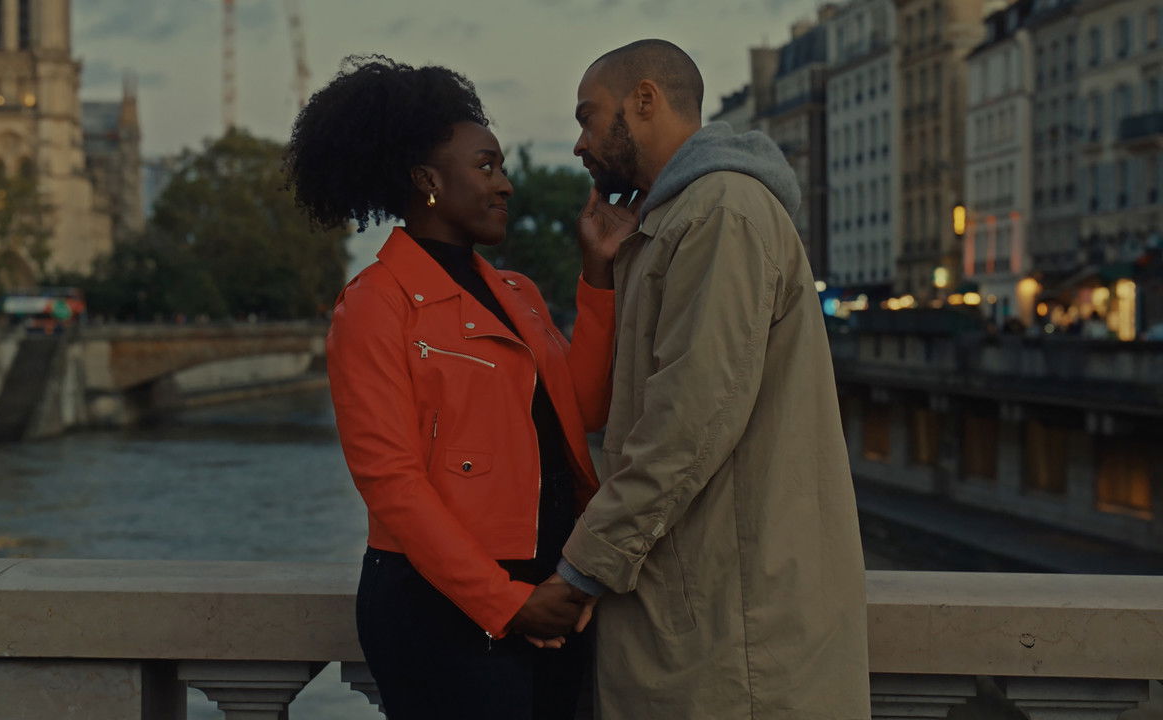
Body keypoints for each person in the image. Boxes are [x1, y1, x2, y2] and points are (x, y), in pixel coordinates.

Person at [284, 55, 633, 719]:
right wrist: (507, 602)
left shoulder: (518, 293)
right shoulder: (375, 304)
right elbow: (391, 481)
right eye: (486, 166)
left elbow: (584, 409)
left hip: (551, 593)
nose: (505, 184)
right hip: (439, 607)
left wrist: (598, 276)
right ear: (428, 181)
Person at [548, 39, 872, 718]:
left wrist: (583, 568)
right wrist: (605, 268)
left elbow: (688, 421)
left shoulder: (721, 212)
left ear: (644, 100)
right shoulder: (679, 220)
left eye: (587, 117)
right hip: (715, 617)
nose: (580, 144)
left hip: (732, 635)